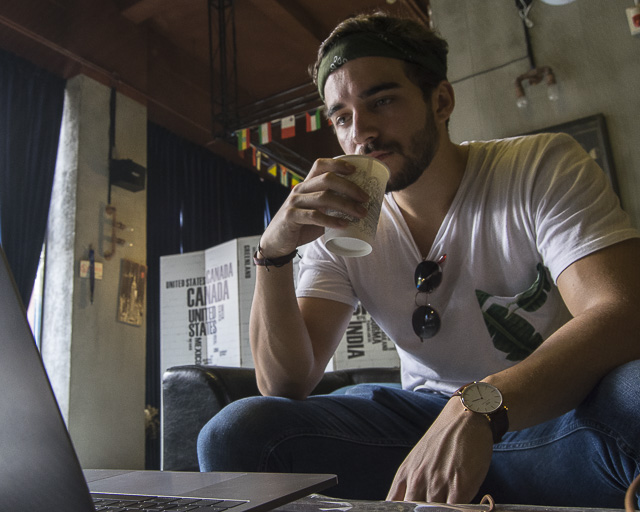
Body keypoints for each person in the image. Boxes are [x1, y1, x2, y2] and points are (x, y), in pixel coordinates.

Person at [197, 12, 640, 507]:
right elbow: (285, 383)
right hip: (418, 428)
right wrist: (274, 253)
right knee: (237, 432)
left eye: (382, 101)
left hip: (551, 421)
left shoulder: (537, 167)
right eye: (342, 117)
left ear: (441, 101)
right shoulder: (341, 222)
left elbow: (623, 313)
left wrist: (477, 407)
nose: (361, 133)